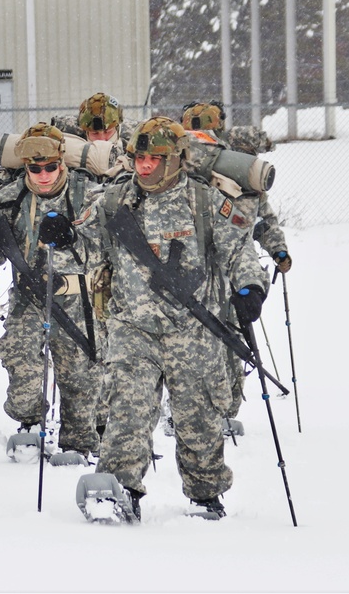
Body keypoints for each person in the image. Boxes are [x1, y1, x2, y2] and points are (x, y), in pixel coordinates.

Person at [87, 116, 268, 521]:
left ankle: (206, 495)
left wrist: (251, 288)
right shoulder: (116, 201)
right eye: (138, 157)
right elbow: (84, 237)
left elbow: (239, 252)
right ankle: (118, 490)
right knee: (128, 411)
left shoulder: (205, 202)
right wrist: (60, 231)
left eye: (154, 158)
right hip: (132, 326)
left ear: (176, 160)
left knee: (198, 417)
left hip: (194, 330)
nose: (144, 166)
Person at [0, 122, 102, 458]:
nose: (43, 175)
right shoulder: (10, 199)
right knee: (19, 355)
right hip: (29, 296)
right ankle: (29, 422)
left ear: (63, 163)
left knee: (79, 377)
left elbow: (112, 240)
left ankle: (79, 443)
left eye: (51, 167)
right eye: (34, 168)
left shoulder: (89, 194)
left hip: (78, 298)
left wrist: (74, 237)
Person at [181, 101, 291, 428]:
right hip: (195, 271)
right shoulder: (187, 173)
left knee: (231, 339)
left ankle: (226, 409)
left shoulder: (240, 172)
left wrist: (278, 252)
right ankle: (186, 411)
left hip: (236, 270)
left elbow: (263, 222)